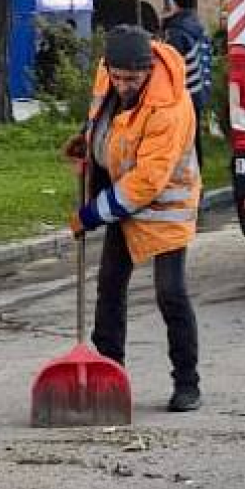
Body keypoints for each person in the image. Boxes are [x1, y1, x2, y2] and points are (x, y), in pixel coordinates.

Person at [61, 25, 203, 412]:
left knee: (170, 292)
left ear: (147, 71)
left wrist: (92, 214)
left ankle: (187, 383)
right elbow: (103, 116)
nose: (122, 85)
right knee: (109, 285)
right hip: (121, 195)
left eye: (131, 79)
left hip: (164, 205)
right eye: (117, 76)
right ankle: (110, 375)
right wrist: (90, 140)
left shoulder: (169, 108)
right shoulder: (109, 74)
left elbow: (148, 181)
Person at [159, 0, 213, 167]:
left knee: (182, 135)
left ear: (176, 5)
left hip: (182, 91)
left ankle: (187, 171)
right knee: (193, 133)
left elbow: (171, 61)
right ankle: (197, 168)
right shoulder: (197, 26)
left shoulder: (176, 30)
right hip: (198, 89)